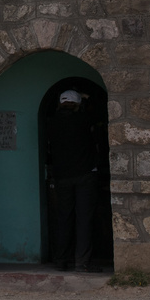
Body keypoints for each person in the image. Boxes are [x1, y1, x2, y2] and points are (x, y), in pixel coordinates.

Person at [45, 88, 104, 271]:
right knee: (84, 219)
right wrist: (87, 100)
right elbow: (100, 113)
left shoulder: (51, 123)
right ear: (77, 105)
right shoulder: (84, 120)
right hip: (85, 174)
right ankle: (82, 262)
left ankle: (61, 260)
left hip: (62, 176)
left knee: (64, 218)